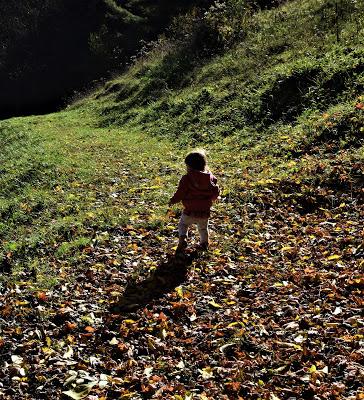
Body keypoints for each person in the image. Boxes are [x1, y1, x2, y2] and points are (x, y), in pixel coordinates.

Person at [168, 149, 220, 252]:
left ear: (189, 167)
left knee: (183, 224)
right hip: (204, 211)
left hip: (189, 210)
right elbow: (215, 190)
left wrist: (173, 200)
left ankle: (183, 239)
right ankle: (204, 243)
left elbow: (180, 192)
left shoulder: (186, 179)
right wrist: (215, 197)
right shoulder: (211, 178)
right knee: (203, 228)